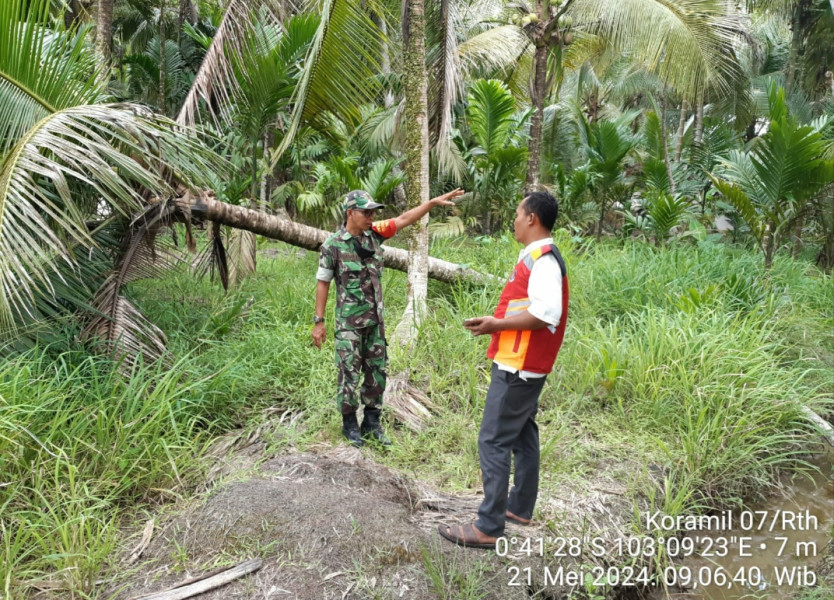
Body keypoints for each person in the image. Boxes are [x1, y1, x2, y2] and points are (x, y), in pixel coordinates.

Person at [438, 191, 568, 548]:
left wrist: (496, 325)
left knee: (493, 439)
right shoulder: (537, 256)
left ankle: (488, 527)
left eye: (516, 212)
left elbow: (546, 314)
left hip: (519, 367)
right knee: (523, 434)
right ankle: (519, 507)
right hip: (524, 363)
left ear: (532, 219)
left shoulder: (543, 260)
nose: (513, 219)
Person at [313, 188, 464, 447]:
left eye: (373, 212)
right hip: (348, 325)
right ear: (350, 212)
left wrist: (431, 203)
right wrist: (319, 321)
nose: (371, 216)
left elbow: (404, 219)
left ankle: (372, 424)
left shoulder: (376, 234)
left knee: (376, 373)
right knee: (348, 373)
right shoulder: (332, 245)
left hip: (375, 323)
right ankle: (350, 425)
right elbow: (323, 282)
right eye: (366, 212)